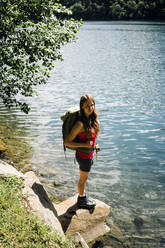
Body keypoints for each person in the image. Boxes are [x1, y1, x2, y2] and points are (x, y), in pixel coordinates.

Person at [64, 94, 100, 208]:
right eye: (87, 106)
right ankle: (81, 199)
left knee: (84, 178)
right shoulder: (80, 124)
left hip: (89, 155)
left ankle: (82, 195)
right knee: (83, 179)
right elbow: (67, 142)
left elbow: (92, 138)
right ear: (82, 107)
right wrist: (84, 144)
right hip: (83, 156)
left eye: (92, 104)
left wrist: (95, 145)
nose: (90, 108)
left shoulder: (92, 120)